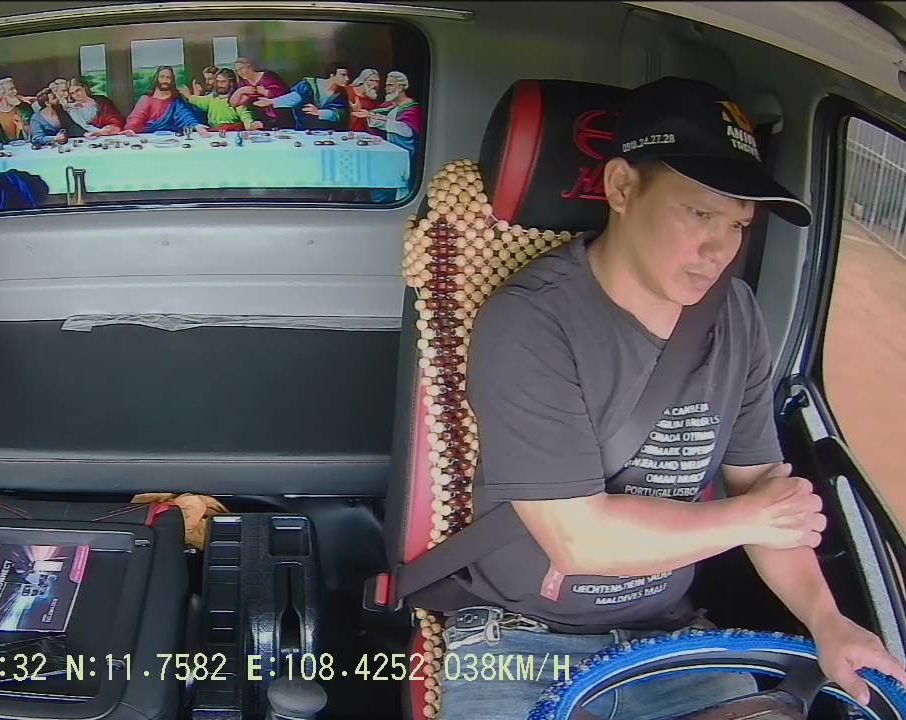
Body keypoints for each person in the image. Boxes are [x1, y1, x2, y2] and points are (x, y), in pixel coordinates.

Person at [435, 77, 906, 720]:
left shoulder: (735, 314)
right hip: (519, 639)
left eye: (738, 224)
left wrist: (829, 621)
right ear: (621, 188)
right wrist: (752, 518)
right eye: (700, 214)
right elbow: (581, 541)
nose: (720, 249)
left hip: (669, 637)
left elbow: (765, 489)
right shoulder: (530, 321)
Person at [253, 62, 350, 130]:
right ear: (332, 75)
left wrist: (319, 112)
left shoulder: (341, 94)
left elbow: (339, 113)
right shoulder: (309, 85)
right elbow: (295, 98)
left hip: (328, 132)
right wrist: (272, 101)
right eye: (343, 75)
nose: (347, 79)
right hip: (305, 130)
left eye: (347, 75)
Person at [123, 65, 204, 134]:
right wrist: (130, 129)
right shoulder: (146, 99)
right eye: (162, 77)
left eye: (168, 77)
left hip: (172, 137)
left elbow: (185, 115)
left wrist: (196, 125)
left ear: (172, 80)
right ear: (156, 78)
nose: (165, 80)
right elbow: (136, 117)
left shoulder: (176, 100)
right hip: (149, 136)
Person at [179, 69, 261, 132]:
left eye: (223, 82)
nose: (220, 84)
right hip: (214, 134)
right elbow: (197, 100)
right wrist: (189, 96)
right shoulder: (211, 98)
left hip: (231, 134)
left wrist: (251, 125)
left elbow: (245, 116)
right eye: (218, 81)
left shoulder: (237, 100)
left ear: (231, 83)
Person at [360, 71, 420, 154]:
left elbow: (407, 131)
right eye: (386, 85)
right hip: (388, 148)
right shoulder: (387, 105)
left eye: (390, 85)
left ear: (400, 87)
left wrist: (381, 120)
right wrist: (370, 116)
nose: (386, 89)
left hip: (402, 149)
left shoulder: (412, 108)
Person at [229, 57, 289, 128]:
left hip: (279, 116)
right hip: (261, 120)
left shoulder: (268, 77)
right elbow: (234, 103)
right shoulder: (244, 84)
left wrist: (264, 91)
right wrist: (240, 91)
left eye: (241, 69)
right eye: (237, 71)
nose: (240, 73)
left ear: (249, 66)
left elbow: (284, 93)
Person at [0, 77, 33, 143]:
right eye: (11, 89)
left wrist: (23, 125)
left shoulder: (25, 108)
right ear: (2, 94)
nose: (15, 91)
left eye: (14, 88)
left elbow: (34, 133)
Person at [346, 68, 380, 132]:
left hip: (365, 133)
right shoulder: (347, 91)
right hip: (347, 131)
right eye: (371, 80)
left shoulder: (373, 99)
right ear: (362, 81)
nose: (375, 84)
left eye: (377, 81)